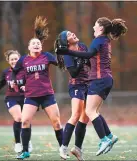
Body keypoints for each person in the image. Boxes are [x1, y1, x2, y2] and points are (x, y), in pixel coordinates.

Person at [56, 17, 128, 156]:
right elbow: (84, 62)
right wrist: (69, 54)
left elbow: (88, 55)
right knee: (89, 112)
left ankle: (104, 139)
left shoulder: (97, 40)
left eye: (95, 25)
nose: (93, 27)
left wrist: (67, 52)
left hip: (98, 79)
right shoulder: (105, 40)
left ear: (101, 28)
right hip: (102, 80)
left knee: (89, 112)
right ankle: (109, 136)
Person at [11, 16, 63, 159]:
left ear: (41, 46)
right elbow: (14, 73)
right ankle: (25, 151)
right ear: (28, 47)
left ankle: (62, 149)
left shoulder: (47, 56)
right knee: (25, 121)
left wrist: (62, 53)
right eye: (33, 43)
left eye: (38, 43)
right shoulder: (24, 60)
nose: (36, 45)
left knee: (57, 123)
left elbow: (61, 64)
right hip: (31, 96)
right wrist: (17, 83)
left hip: (47, 95)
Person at [54, 30, 90, 160]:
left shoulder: (83, 46)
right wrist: (82, 58)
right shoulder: (67, 54)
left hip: (88, 85)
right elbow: (74, 73)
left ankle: (77, 149)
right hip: (77, 86)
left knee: (85, 118)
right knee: (75, 115)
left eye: (71, 32)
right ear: (66, 42)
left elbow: (89, 63)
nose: (73, 34)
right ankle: (63, 147)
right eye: (69, 35)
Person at [0, 50, 32, 154]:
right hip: (11, 98)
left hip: (25, 98)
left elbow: (32, 81)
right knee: (18, 118)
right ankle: (18, 143)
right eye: (12, 59)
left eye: (16, 59)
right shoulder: (6, 72)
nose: (14, 61)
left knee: (26, 120)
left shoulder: (25, 70)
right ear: (8, 61)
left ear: (19, 59)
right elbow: (1, 82)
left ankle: (27, 141)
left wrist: (26, 86)